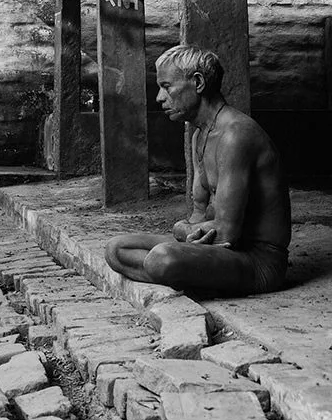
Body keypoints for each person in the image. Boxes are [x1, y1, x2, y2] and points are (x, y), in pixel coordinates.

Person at [105, 45, 291, 296]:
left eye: (167, 86)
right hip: (215, 249)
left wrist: (180, 231)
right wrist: (189, 232)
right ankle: (193, 276)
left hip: (258, 262)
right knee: (116, 249)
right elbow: (198, 215)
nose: (160, 97)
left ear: (198, 83)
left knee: (162, 258)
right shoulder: (199, 135)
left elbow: (226, 233)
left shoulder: (236, 135)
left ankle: (186, 274)